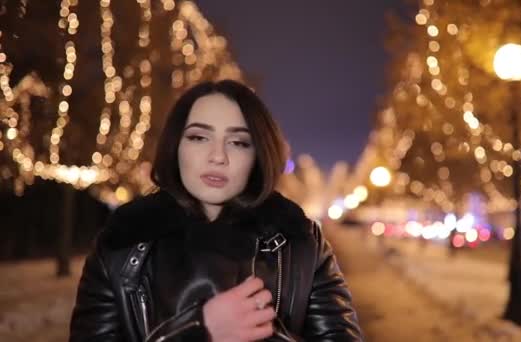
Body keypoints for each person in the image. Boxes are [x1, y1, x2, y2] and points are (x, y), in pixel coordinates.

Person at [69, 79, 362, 341]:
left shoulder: (300, 242)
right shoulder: (123, 243)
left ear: (258, 155)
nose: (218, 156)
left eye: (238, 142)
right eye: (199, 137)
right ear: (176, 146)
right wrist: (199, 330)